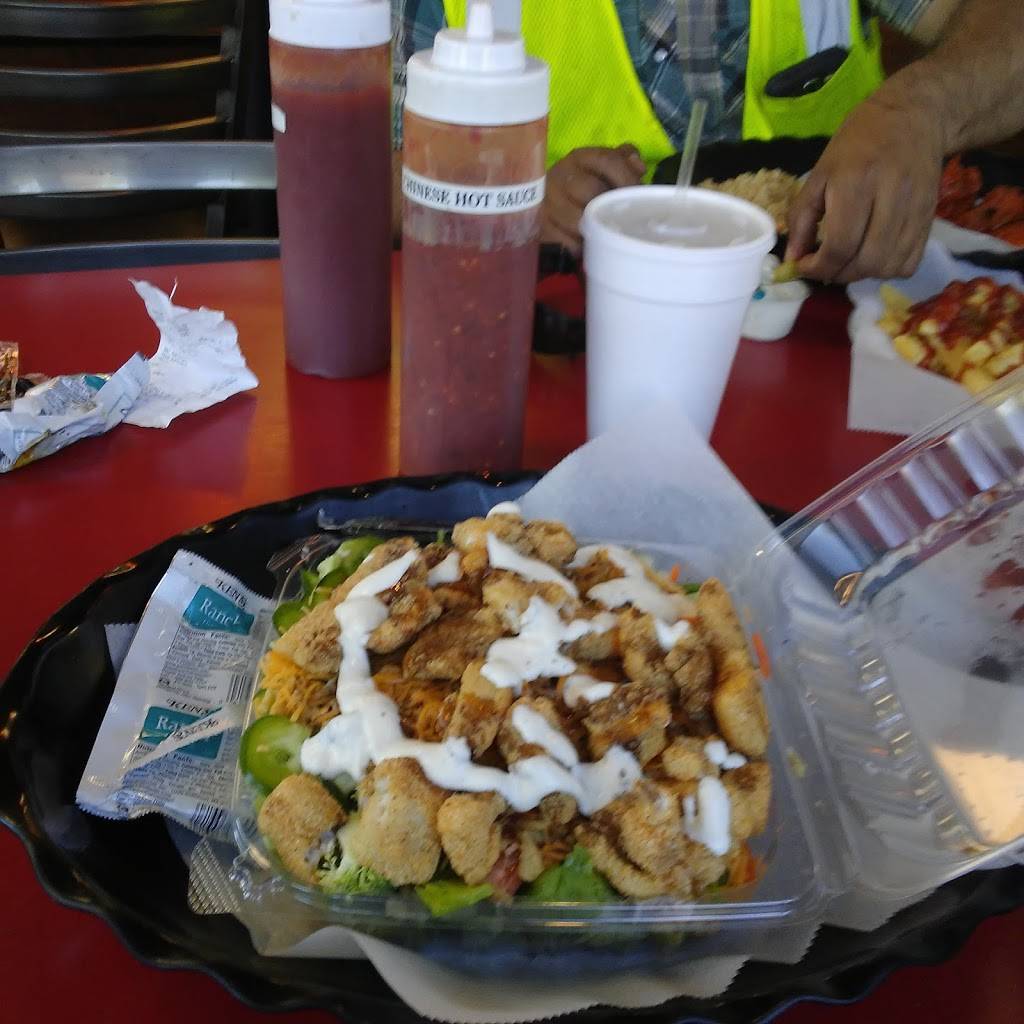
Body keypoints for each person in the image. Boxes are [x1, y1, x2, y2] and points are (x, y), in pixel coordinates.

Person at [394, 0, 1024, 282]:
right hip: (560, 363)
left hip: (845, 347)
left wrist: (922, 108)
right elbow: (367, 187)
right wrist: (510, 203)